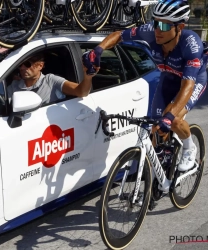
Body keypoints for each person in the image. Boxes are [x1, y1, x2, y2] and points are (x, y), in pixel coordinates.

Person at [82, 0, 207, 172]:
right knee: (155, 125)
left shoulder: (191, 44)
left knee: (174, 119)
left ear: (180, 27)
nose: (157, 30)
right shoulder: (150, 32)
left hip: (193, 81)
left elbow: (187, 86)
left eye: (163, 26)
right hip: (169, 77)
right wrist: (98, 50)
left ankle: (189, 147)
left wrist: (169, 117)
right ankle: (160, 165)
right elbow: (119, 35)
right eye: (155, 22)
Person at [7, 53, 99, 105]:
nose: (22, 68)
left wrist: (87, 77)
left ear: (40, 65)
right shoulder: (15, 85)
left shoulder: (50, 80)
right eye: (20, 65)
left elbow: (81, 92)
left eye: (27, 64)